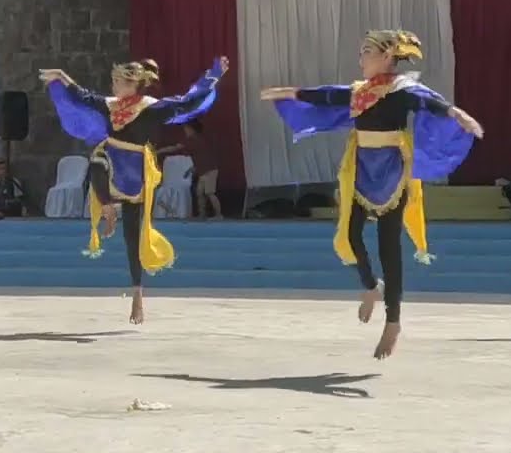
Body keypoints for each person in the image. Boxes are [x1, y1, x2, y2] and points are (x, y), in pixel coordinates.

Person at [261, 30, 482, 359]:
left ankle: (393, 321)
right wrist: (289, 92)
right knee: (349, 237)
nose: (360, 58)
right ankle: (369, 286)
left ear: (387, 57)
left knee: (389, 246)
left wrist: (459, 115)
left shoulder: (402, 90)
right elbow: (325, 96)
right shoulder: (359, 93)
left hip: (392, 170)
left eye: (367, 52)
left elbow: (430, 102)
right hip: (361, 171)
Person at [40, 56, 229, 324]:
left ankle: (138, 297)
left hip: (136, 173)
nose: (113, 86)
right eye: (113, 81)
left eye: (118, 82)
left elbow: (188, 101)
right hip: (112, 161)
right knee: (95, 162)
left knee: (133, 238)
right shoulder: (110, 105)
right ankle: (107, 207)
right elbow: (82, 96)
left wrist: (213, 75)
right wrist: (61, 75)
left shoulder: (151, 108)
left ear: (133, 84)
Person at [158, 120, 222, 219]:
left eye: (186, 129)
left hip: (210, 170)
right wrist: (191, 170)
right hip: (203, 171)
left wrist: (158, 151)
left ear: (191, 129)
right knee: (199, 192)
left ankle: (218, 215)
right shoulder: (198, 139)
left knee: (210, 193)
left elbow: (174, 148)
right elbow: (201, 157)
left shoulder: (193, 140)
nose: (185, 131)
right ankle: (202, 214)